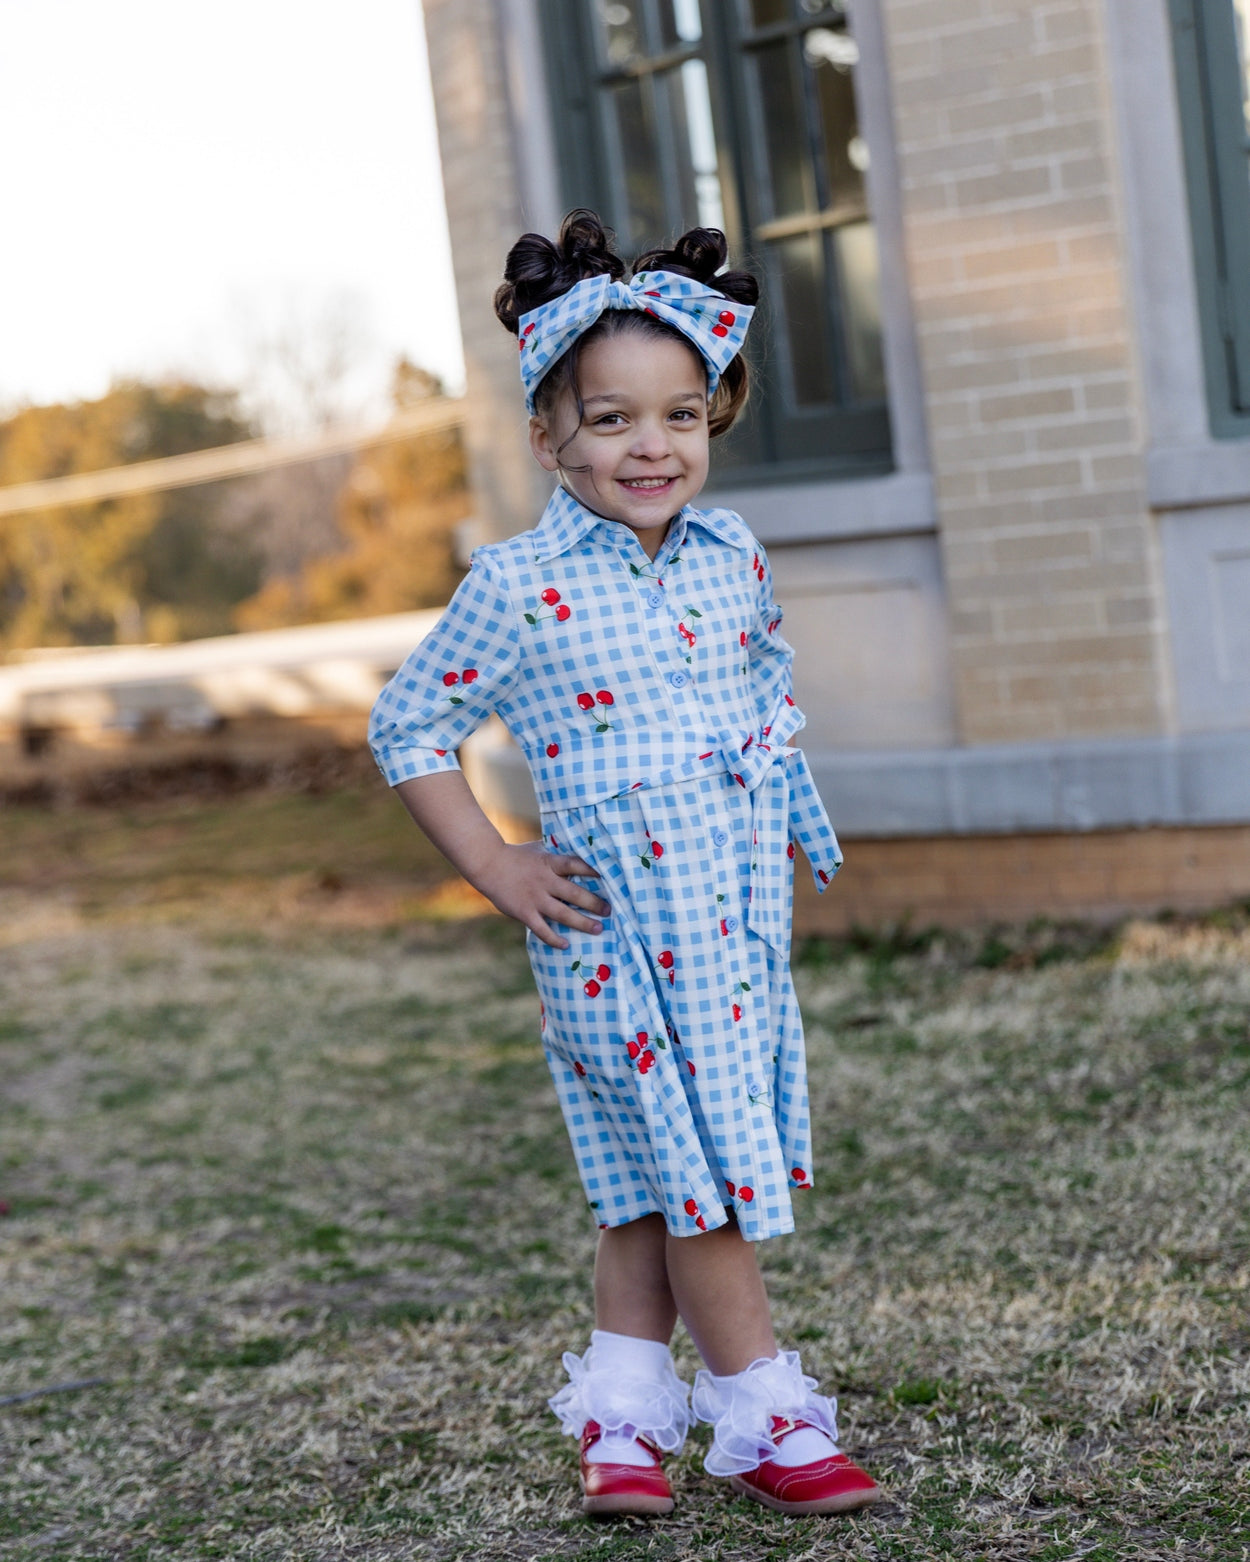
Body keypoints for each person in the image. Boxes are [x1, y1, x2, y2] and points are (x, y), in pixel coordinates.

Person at [368, 210, 881, 1519]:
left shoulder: (732, 559)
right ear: (549, 434)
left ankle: (621, 1423)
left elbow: (762, 686)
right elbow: (407, 718)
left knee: (646, 1192)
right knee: (690, 1175)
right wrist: (494, 862)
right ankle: (765, 1413)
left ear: (711, 422)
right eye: (609, 419)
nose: (648, 446)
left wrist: (765, 811)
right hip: (611, 938)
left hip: (728, 929)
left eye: (679, 418)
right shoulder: (519, 583)